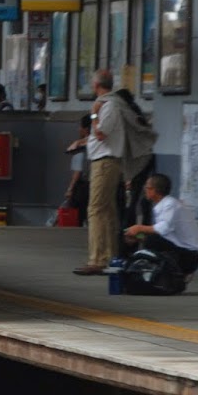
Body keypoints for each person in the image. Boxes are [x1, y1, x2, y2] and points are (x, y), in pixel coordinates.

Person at [75, 69, 127, 275]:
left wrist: (94, 113)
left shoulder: (108, 105)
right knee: (106, 211)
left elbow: (101, 133)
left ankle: (97, 259)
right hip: (105, 161)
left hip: (105, 162)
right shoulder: (110, 104)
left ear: (96, 85)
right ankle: (109, 256)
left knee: (95, 209)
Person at [122, 173, 198, 281]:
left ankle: (174, 273)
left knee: (152, 241)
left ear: (154, 190)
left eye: (147, 187)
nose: (145, 190)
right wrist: (139, 237)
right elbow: (166, 235)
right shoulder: (163, 205)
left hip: (191, 254)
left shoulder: (170, 205)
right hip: (182, 248)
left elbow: (163, 228)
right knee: (151, 239)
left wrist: (139, 228)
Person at [115, 90, 158, 233]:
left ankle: (127, 234)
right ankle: (136, 234)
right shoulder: (136, 113)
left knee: (128, 203)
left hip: (135, 163)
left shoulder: (126, 115)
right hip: (145, 160)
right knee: (138, 200)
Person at [60, 113, 92, 226]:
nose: (78, 129)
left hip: (83, 186)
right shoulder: (97, 144)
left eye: (80, 126)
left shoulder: (81, 147)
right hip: (94, 183)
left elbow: (77, 171)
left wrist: (70, 188)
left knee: (78, 214)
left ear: (86, 129)